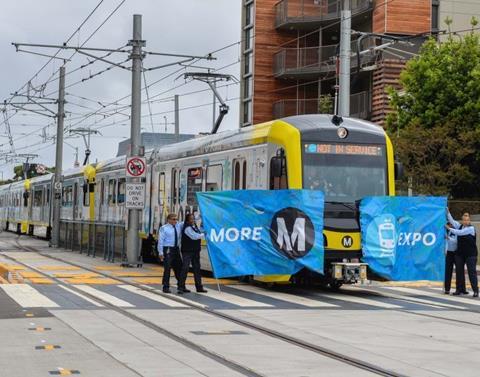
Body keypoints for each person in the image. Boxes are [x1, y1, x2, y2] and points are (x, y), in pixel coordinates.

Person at [447, 210, 478, 297]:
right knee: (459, 272)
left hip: (470, 254)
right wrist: (448, 212)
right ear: (462, 220)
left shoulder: (471, 229)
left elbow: (460, 233)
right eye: (464, 220)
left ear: (469, 221)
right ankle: (458, 289)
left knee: (471, 272)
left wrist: (449, 228)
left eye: (467, 220)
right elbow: (452, 221)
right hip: (460, 254)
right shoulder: (459, 226)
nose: (465, 222)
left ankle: (475, 290)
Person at [178, 213, 207, 294]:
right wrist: (204, 234)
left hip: (195, 251)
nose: (193, 220)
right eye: (191, 219)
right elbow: (194, 236)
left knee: (197, 269)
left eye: (193, 219)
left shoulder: (194, 226)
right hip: (187, 251)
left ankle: (199, 287)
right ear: (187, 220)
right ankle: (180, 287)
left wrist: (201, 214)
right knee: (185, 268)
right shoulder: (187, 228)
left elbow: (197, 218)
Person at [158, 213, 183, 293]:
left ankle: (181, 286)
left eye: (176, 219)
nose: (175, 221)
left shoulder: (178, 226)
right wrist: (161, 252)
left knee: (179, 268)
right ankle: (166, 287)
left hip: (176, 249)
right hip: (168, 249)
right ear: (168, 220)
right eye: (173, 219)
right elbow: (161, 241)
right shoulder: (163, 228)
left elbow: (187, 220)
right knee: (167, 268)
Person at [444, 224, 458, 294]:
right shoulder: (445, 232)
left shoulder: (457, 231)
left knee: (458, 272)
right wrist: (445, 250)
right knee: (448, 272)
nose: (449, 225)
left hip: (456, 253)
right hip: (448, 253)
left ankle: (459, 289)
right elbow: (445, 243)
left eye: (450, 224)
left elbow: (456, 241)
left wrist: (448, 238)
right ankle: (447, 289)